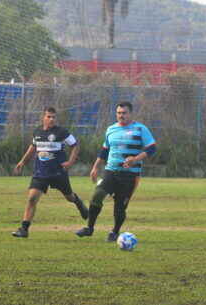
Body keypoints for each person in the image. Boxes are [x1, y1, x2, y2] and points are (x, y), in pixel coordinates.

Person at [75, 102, 156, 242]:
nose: (121, 115)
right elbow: (104, 150)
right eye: (119, 113)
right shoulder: (111, 129)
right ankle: (89, 228)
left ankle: (114, 232)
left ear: (130, 114)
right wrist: (95, 167)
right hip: (111, 171)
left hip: (130, 175)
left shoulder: (140, 129)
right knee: (97, 195)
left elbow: (152, 148)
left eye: (124, 113)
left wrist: (135, 159)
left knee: (120, 207)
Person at [12, 107, 89, 238]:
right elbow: (33, 147)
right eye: (49, 116)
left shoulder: (61, 132)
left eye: (53, 117)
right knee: (32, 199)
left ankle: (78, 202)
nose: (51, 119)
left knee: (69, 197)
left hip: (58, 172)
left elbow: (75, 145)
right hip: (40, 173)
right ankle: (24, 229)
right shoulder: (37, 131)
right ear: (43, 117)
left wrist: (70, 162)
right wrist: (22, 162)